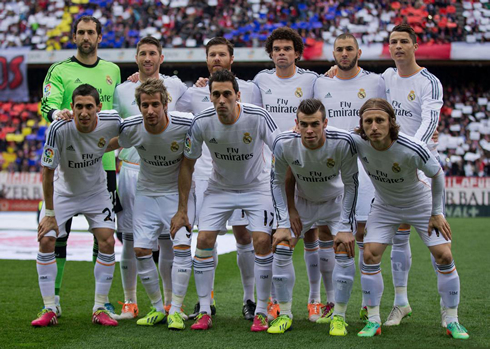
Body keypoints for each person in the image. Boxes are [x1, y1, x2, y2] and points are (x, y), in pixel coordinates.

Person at [171, 69, 280, 332]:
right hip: (219, 188)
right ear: (209, 97)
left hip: (256, 187)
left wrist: (283, 205)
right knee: (204, 240)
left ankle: (262, 310)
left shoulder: (258, 116)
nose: (221, 100)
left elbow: (282, 151)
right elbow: (187, 164)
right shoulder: (202, 121)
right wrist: (182, 209)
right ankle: (204, 310)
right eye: (216, 94)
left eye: (227, 94)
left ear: (237, 95)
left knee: (261, 240)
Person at [352, 98, 468, 340]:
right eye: (368, 121)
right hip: (385, 206)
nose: (374, 126)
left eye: (379, 120)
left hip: (420, 204)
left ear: (391, 122)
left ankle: (452, 319)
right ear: (361, 125)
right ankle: (373, 319)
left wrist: (437, 212)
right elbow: (326, 132)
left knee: (444, 255)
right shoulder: (357, 143)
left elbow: (437, 175)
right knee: (370, 253)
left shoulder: (412, 147)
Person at [40, 15, 121, 315]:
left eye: (91, 32)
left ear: (100, 37)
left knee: (103, 236)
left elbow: (119, 115)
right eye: (81, 32)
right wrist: (55, 116)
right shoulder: (60, 69)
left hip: (105, 163)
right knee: (57, 235)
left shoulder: (112, 70)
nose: (86, 37)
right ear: (74, 36)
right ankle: (54, 297)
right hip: (67, 160)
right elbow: (47, 105)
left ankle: (102, 301)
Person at [176, 37, 261, 320]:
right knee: (206, 238)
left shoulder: (251, 89)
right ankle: (206, 303)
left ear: (231, 59)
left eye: (221, 54)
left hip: (246, 174)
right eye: (211, 55)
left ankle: (250, 299)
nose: (216, 59)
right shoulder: (193, 93)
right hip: (208, 174)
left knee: (244, 234)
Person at [106, 78, 194, 329]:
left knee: (181, 247)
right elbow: (108, 144)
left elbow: (208, 137)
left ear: (166, 104)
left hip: (177, 194)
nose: (150, 110)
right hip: (146, 192)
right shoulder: (132, 127)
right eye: (145, 105)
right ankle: (157, 308)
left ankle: (175, 309)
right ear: (138, 106)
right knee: (141, 250)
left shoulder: (185, 124)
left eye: (155, 104)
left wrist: (183, 209)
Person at [32, 84, 121, 327]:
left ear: (98, 108)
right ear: (71, 107)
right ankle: (50, 307)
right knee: (47, 238)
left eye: (89, 107)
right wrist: (49, 213)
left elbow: (128, 135)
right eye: (79, 106)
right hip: (63, 192)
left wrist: (105, 145)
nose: (84, 112)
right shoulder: (58, 128)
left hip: (96, 192)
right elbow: (47, 171)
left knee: (107, 240)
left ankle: (100, 307)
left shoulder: (112, 120)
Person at [270, 99, 358, 335]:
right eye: (304, 124)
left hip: (334, 203)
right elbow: (276, 181)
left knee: (344, 249)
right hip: (303, 202)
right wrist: (282, 221)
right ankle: (285, 314)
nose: (309, 130)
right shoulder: (283, 143)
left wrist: (346, 225)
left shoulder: (342, 142)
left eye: (315, 124)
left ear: (325, 123)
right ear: (296, 124)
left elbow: (351, 184)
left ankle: (338, 315)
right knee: (281, 247)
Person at [314, 33, 385, 323]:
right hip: (330, 169)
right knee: (328, 235)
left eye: (348, 49)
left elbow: (389, 116)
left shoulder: (375, 82)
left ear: (358, 51)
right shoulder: (321, 83)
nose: (344, 54)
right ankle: (332, 301)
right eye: (339, 49)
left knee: (364, 237)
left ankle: (369, 305)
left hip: (365, 169)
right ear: (333, 53)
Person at [253, 27, 322, 322]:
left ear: (297, 52)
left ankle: (315, 299)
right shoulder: (260, 81)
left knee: (312, 233)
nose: (282, 53)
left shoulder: (312, 80)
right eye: (277, 48)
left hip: (305, 164)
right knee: (274, 234)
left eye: (287, 48)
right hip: (270, 167)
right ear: (271, 53)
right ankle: (271, 301)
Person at [381, 24, 444, 326]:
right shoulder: (385, 79)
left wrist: (411, 155)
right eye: (393, 42)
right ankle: (400, 302)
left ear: (415, 46)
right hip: (393, 169)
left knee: (437, 244)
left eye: (404, 41)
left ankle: (449, 311)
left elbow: (430, 122)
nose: (398, 46)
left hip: (421, 166)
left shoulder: (429, 81)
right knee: (398, 235)